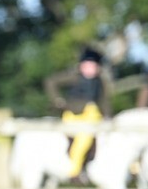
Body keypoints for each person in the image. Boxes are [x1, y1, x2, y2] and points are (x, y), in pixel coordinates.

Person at [44, 47, 113, 181]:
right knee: (84, 137)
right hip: (74, 115)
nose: (89, 68)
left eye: (93, 66)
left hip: (94, 116)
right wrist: (58, 101)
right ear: (81, 66)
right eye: (86, 65)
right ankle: (74, 171)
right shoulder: (73, 77)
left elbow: (104, 101)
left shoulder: (101, 82)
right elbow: (51, 82)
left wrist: (108, 116)